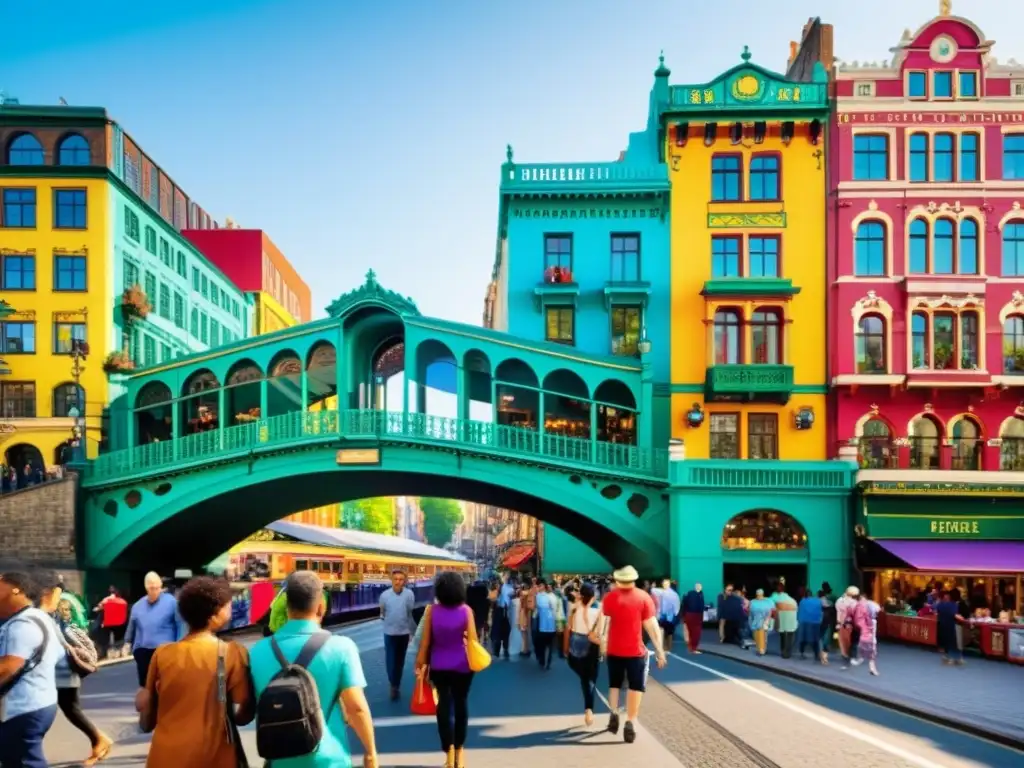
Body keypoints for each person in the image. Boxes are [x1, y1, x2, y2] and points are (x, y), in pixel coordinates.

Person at [252, 570, 377, 767]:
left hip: (278, 760)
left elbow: (250, 708)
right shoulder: (341, 647)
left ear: (286, 606)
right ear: (321, 606)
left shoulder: (257, 652)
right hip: (329, 760)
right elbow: (356, 708)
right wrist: (371, 753)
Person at [135, 576, 254, 767]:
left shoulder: (162, 654)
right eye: (228, 606)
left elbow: (147, 722)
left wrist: (143, 702)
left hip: (165, 757)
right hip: (214, 757)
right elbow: (244, 712)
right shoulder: (230, 653)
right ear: (215, 614)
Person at [415, 571, 481, 768]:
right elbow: (474, 641)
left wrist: (419, 664)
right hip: (463, 665)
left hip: (439, 665)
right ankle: (460, 752)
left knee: (443, 705)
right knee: (461, 704)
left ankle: (448, 750)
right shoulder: (466, 611)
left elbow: (425, 643)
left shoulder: (432, 611)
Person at [0, 569, 65, 768]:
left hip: (23, 707)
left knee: (24, 761)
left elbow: (8, 667)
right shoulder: (39, 618)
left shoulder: (23, 624)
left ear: (15, 590)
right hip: (38, 701)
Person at [597, 565, 666, 744]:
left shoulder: (609, 598)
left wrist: (602, 644)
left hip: (614, 650)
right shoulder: (644, 597)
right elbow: (652, 626)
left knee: (614, 684)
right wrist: (659, 650)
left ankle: (613, 713)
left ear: (618, 580)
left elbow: (604, 623)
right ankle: (630, 721)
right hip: (636, 651)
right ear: (634, 579)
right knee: (635, 687)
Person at [52, 596, 113, 765]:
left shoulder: (59, 627)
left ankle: (99, 740)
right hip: (64, 676)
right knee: (70, 711)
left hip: (64, 676)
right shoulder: (62, 623)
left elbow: (64, 649)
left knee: (71, 711)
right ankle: (98, 740)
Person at [124, 571, 184, 690]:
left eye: (157, 588)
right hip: (143, 650)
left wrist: (180, 644)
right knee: (146, 686)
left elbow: (180, 624)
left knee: (165, 685)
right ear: (146, 588)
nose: (154, 591)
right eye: (151, 588)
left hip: (166, 650)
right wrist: (127, 643)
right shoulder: (138, 606)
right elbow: (132, 626)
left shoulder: (171, 602)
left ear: (161, 586)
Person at [564, 583, 601, 726]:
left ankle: (589, 709)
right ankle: (589, 710)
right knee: (589, 680)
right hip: (591, 647)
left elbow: (569, 629)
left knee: (584, 678)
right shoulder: (597, 613)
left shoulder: (574, 610)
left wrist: (565, 649)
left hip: (576, 644)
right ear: (593, 597)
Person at [379, 569, 416, 700]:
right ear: (391, 580)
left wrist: (412, 632)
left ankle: (396, 685)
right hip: (389, 633)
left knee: (400, 661)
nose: (398, 582)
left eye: (401, 579)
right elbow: (382, 612)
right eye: (395, 579)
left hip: (404, 633)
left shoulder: (409, 594)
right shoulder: (384, 595)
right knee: (390, 660)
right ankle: (393, 683)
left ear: (404, 581)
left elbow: (410, 613)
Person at [93, 586, 128, 660]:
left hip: (108, 624)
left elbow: (98, 608)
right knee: (117, 638)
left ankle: (108, 651)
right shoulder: (122, 600)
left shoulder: (106, 600)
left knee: (104, 634)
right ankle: (118, 650)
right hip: (120, 624)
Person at [532, 580, 558, 670]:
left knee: (546, 644)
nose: (539, 587)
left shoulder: (550, 597)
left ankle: (546, 661)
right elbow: (535, 610)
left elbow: (554, 611)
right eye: (539, 586)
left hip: (547, 624)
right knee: (543, 644)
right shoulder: (538, 596)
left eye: (541, 585)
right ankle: (544, 660)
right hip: (543, 624)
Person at [936, 589, 965, 666]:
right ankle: (956, 659)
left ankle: (946, 657)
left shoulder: (940, 605)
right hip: (951, 627)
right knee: (954, 644)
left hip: (942, 626)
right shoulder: (953, 605)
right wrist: (963, 619)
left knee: (946, 643)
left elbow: (937, 611)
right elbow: (955, 615)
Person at [796, 587, 824, 662]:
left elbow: (799, 611)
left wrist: (798, 620)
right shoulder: (818, 601)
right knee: (815, 639)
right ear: (811, 594)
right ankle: (816, 655)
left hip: (804, 622)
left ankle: (802, 653)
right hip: (815, 622)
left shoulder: (803, 601)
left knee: (803, 638)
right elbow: (820, 611)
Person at [771, 582, 798, 659]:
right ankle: (787, 652)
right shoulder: (792, 599)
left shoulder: (775, 597)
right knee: (790, 636)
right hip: (791, 620)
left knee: (783, 636)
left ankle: (784, 651)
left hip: (782, 620)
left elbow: (770, 605)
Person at [655, 579, 680, 653]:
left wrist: (675, 613)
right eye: (664, 583)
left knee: (669, 633)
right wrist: (657, 613)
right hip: (662, 615)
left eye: (667, 584)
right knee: (662, 631)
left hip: (670, 616)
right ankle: (663, 647)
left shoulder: (673, 594)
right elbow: (658, 604)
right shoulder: (660, 593)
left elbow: (676, 604)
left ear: (669, 584)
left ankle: (668, 648)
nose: (665, 585)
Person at [747, 589, 774, 656]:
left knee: (762, 634)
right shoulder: (753, 602)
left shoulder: (768, 601)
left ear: (762, 594)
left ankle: (762, 649)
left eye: (760, 594)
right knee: (756, 635)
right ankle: (760, 648)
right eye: (758, 594)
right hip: (755, 621)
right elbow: (750, 613)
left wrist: (768, 619)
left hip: (763, 621)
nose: (759, 595)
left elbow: (771, 611)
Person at [680, 583, 705, 654]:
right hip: (696, 615)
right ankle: (693, 648)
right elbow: (701, 606)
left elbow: (684, 605)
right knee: (696, 632)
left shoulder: (689, 594)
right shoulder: (700, 595)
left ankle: (691, 647)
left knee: (691, 632)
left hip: (689, 615)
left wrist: (684, 616)